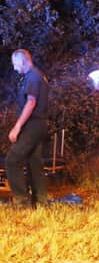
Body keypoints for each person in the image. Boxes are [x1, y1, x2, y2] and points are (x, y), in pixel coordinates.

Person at [6, 49, 49, 208]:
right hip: (39, 125)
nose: (14, 68)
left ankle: (22, 201)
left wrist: (17, 127)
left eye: (15, 64)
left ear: (23, 61)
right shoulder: (38, 76)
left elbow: (31, 102)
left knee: (12, 160)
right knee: (34, 161)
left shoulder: (33, 77)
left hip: (33, 124)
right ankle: (41, 201)